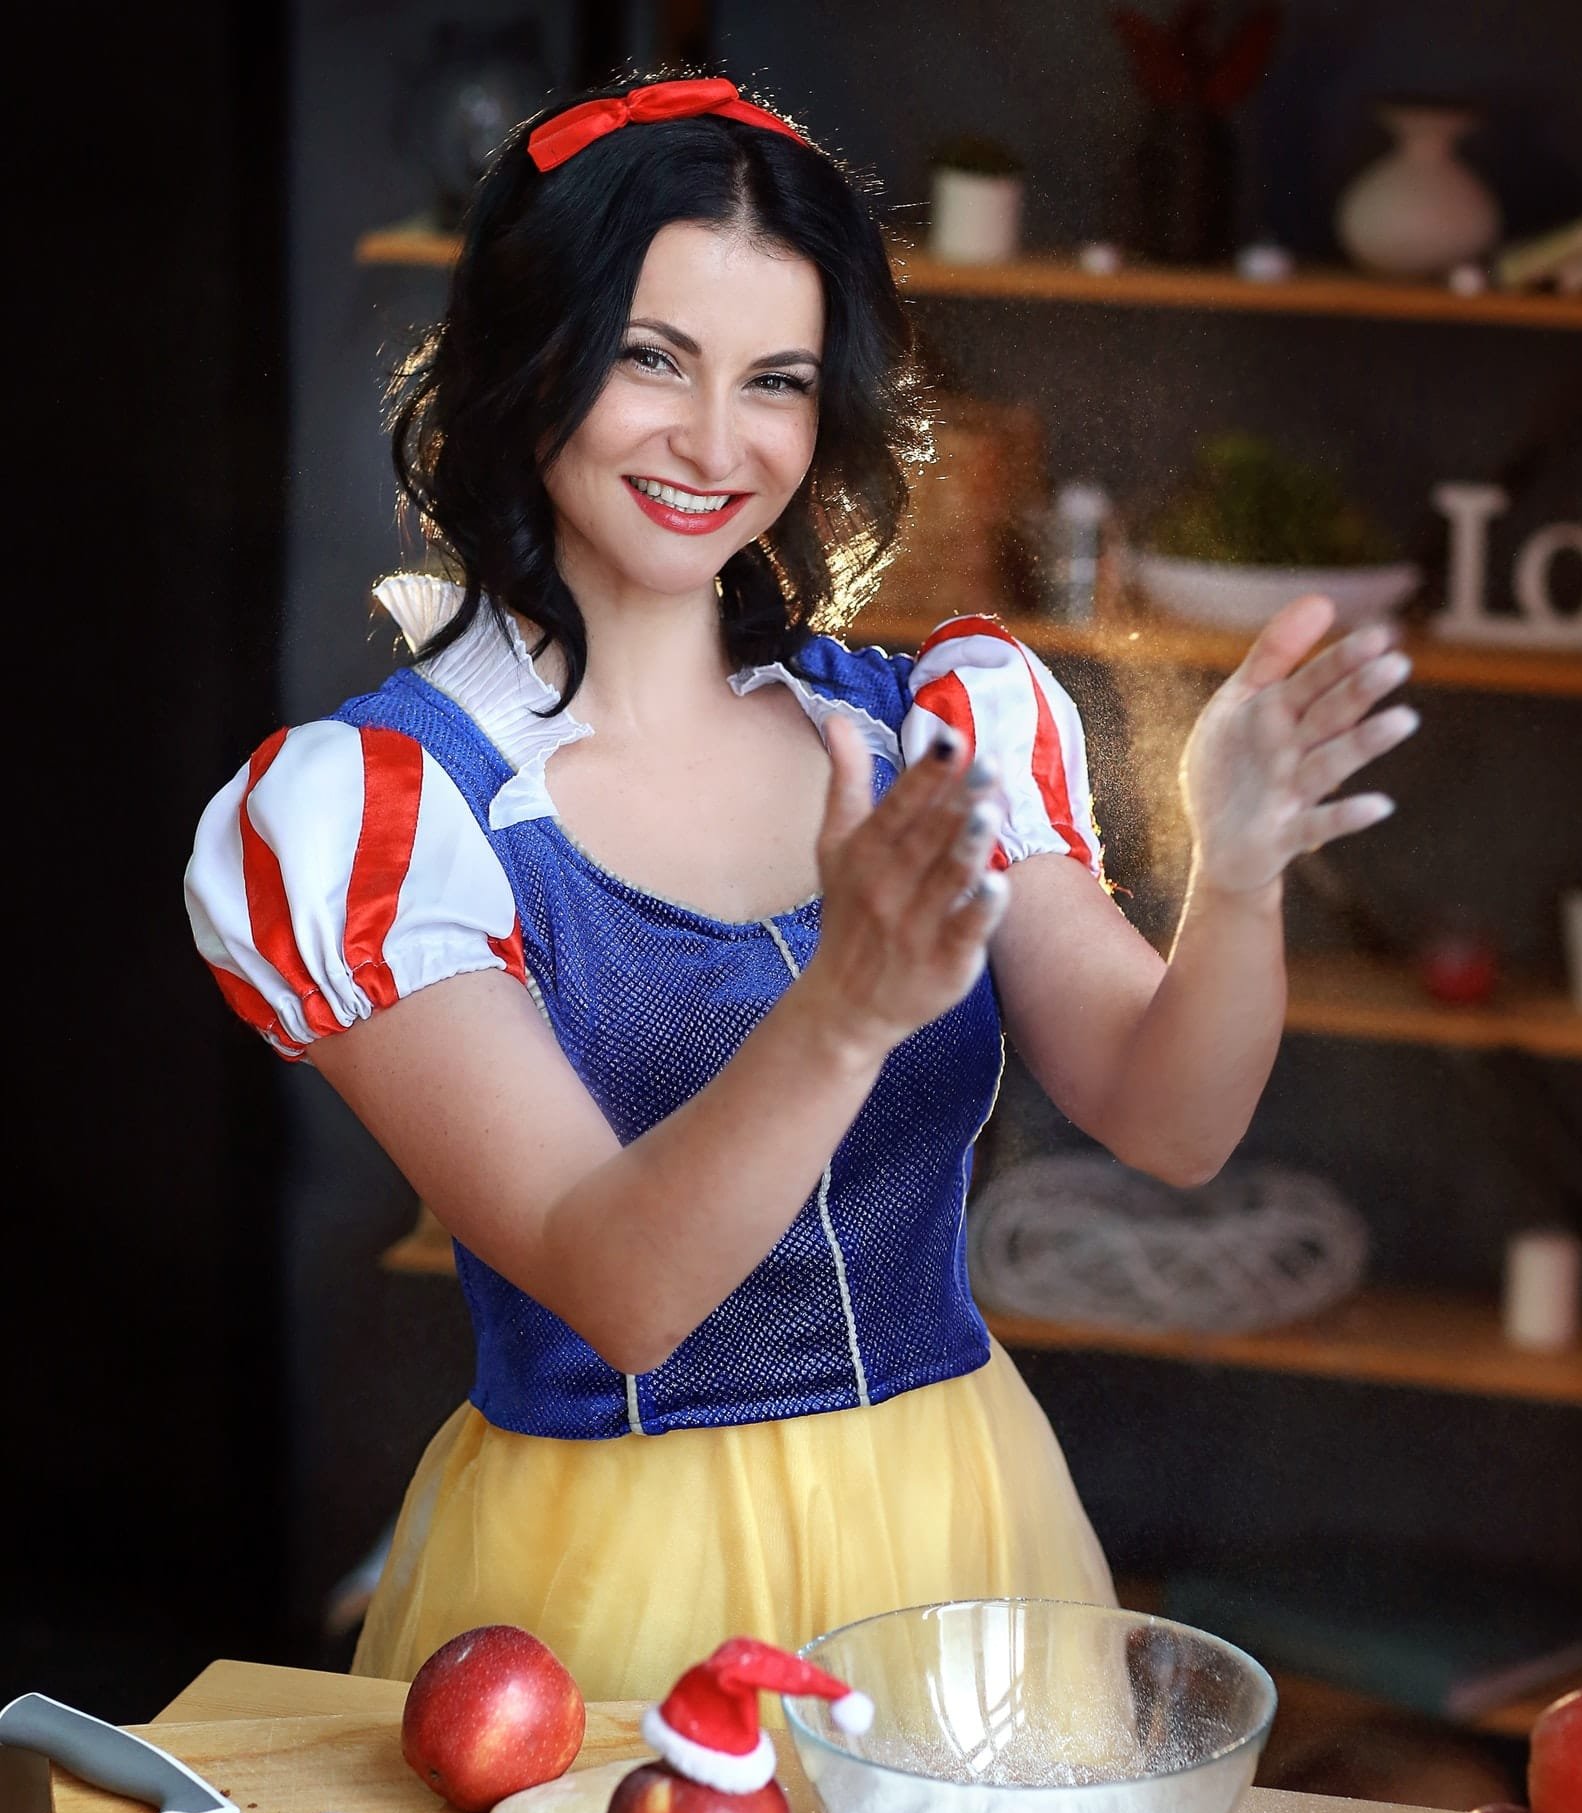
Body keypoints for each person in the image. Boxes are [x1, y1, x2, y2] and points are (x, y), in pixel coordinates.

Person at [184, 74, 1419, 1699]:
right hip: (616, 1579)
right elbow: (621, 1288)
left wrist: (1240, 873)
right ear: (521, 355)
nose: (717, 443)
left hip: (963, 1531)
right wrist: (846, 1004)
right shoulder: (382, 814)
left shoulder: (930, 725)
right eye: (652, 358)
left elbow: (1171, 1121)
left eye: (774, 381)